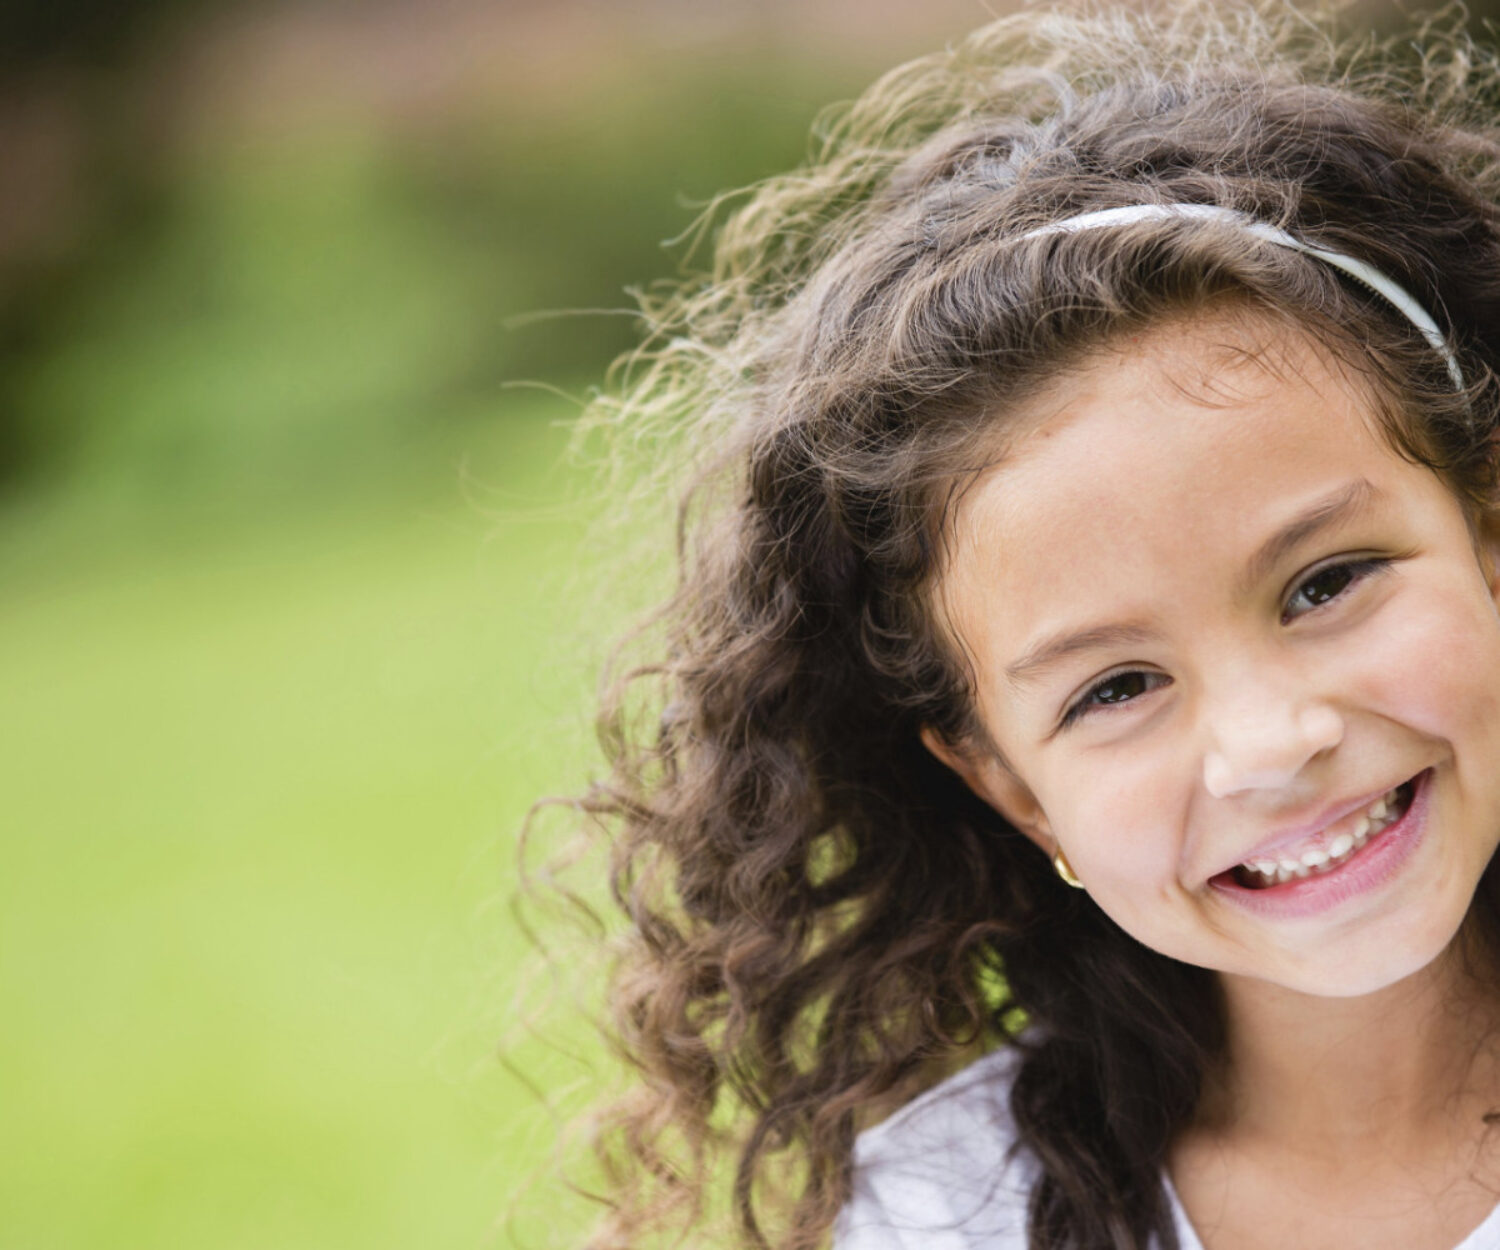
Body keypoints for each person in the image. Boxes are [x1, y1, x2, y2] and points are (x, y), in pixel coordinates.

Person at [558, 3, 1500, 1246]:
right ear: (1013, 788)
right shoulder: (948, 1211)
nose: (1271, 742)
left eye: (1327, 583)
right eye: (1115, 687)